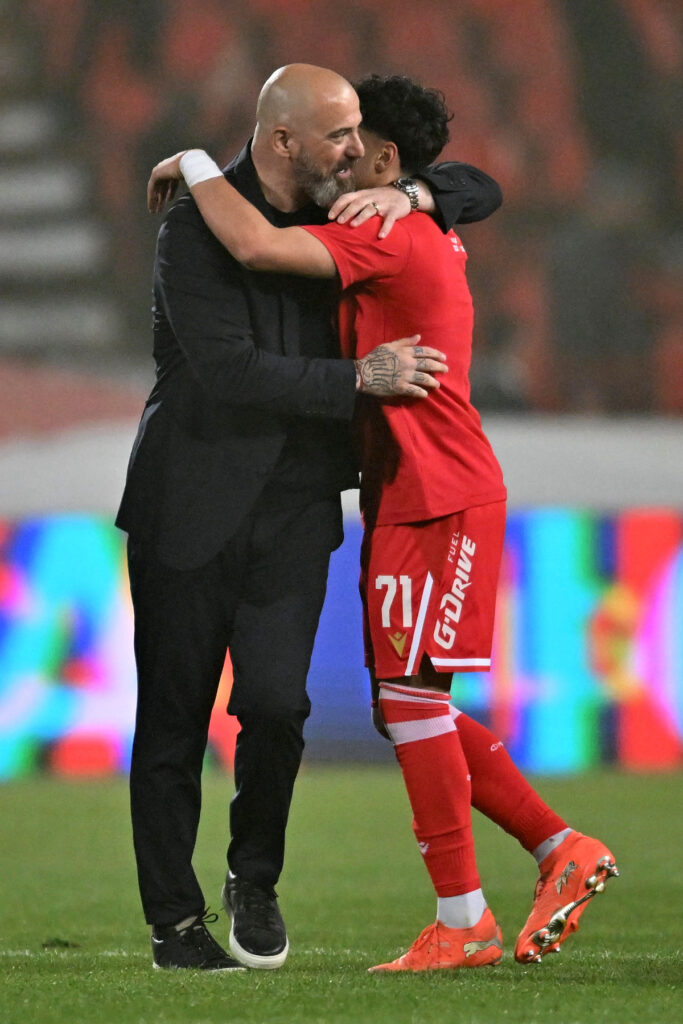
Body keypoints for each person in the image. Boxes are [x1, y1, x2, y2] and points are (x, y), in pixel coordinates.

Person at [148, 73, 619, 972]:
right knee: (408, 704)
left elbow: (248, 242)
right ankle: (558, 850)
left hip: (437, 492)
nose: (343, 153)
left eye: (355, 140)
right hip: (409, 491)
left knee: (408, 704)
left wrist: (196, 159)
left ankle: (465, 916)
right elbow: (470, 187)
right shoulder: (411, 214)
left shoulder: (385, 230)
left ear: (386, 159)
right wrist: (416, 189)